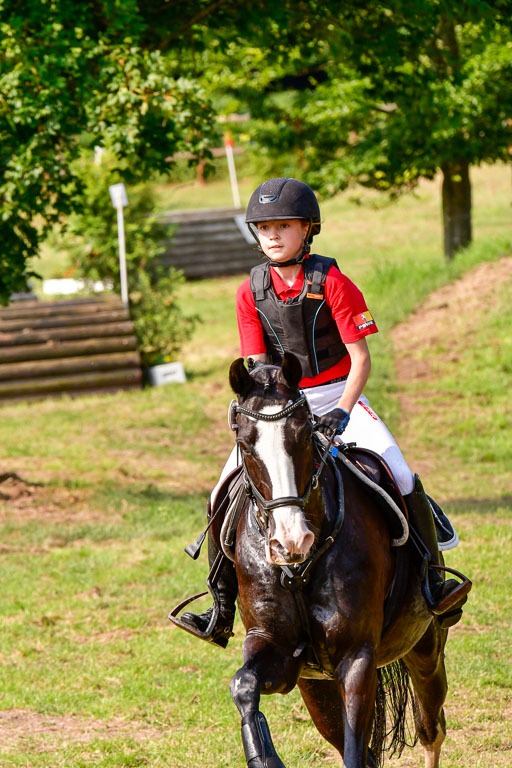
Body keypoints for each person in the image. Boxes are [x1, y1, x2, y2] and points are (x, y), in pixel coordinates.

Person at [181, 177, 471, 646]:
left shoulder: (333, 282)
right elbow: (258, 367)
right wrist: (266, 411)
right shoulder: (249, 291)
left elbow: (361, 360)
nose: (272, 236)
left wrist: (341, 410)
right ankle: (219, 605)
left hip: (342, 394)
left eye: (283, 226)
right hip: (283, 404)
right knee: (222, 491)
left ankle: (432, 583)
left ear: (307, 229)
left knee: (398, 472)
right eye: (264, 228)